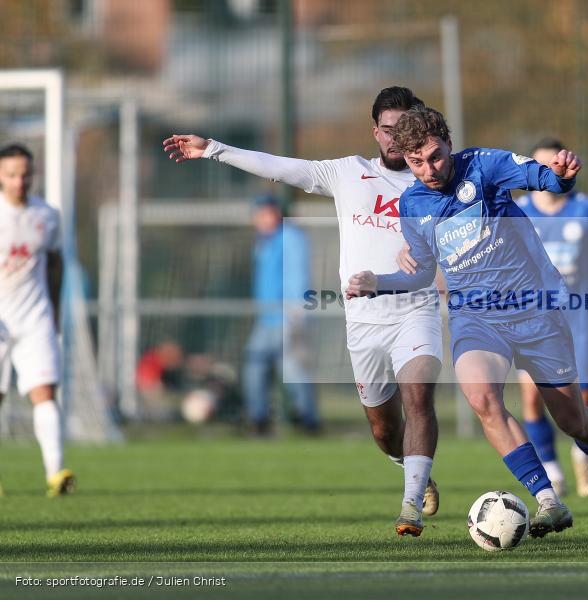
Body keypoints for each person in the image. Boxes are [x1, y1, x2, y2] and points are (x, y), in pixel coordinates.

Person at [163, 87, 441, 537]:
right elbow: (281, 167)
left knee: (418, 398)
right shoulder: (348, 173)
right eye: (389, 130)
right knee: (383, 430)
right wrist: (214, 149)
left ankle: (410, 504)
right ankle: (410, 469)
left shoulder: (435, 178)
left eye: (406, 129)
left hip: (417, 310)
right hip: (365, 321)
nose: (397, 139)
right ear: (376, 132)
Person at [346, 106, 588, 538]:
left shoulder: (485, 166)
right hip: (476, 317)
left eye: (435, 156)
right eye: (416, 161)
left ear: (449, 144)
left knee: (570, 419)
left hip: (534, 310)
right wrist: (378, 281)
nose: (428, 169)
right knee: (482, 399)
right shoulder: (412, 203)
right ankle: (548, 501)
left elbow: (542, 177)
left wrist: (563, 175)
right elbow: (421, 270)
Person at [515, 138, 588, 498]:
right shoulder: (518, 209)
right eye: (540, 167)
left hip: (577, 318)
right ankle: (551, 469)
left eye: (554, 165)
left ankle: (587, 457)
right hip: (533, 318)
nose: (549, 172)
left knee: (578, 403)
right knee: (531, 397)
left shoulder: (586, 208)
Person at [0, 143, 75, 497]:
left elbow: (57, 264)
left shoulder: (47, 215)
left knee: (45, 393)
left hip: (35, 317)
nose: (19, 181)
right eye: (12, 174)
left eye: (25, 174)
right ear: (1, 175)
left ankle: (55, 473)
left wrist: (55, 312)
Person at [243, 193, 319, 436]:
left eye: (267, 212)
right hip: (266, 318)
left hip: (288, 316)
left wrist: (297, 311)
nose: (263, 218)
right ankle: (259, 420)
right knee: (254, 366)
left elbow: (298, 275)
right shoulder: (263, 240)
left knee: (294, 369)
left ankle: (308, 421)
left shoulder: (290, 236)